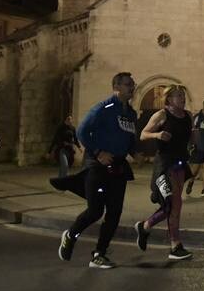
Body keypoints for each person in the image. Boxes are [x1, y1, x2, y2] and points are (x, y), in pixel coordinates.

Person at [57, 72, 141, 269]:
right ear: (117, 87)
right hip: (98, 166)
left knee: (114, 213)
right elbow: (82, 131)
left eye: (133, 84)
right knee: (95, 211)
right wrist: (98, 152)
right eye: (128, 84)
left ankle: (99, 254)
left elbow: (127, 138)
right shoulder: (104, 108)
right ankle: (70, 235)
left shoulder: (131, 113)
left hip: (118, 166)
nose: (132, 88)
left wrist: (134, 153)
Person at [134, 85, 195, 262]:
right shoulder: (161, 115)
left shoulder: (188, 116)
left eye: (183, 95)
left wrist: (194, 138)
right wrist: (158, 135)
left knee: (174, 205)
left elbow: (189, 138)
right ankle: (175, 245)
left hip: (181, 164)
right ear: (169, 99)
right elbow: (143, 134)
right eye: (178, 96)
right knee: (172, 203)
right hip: (165, 165)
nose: (182, 99)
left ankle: (145, 227)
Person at [50, 115, 79, 180]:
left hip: (69, 150)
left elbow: (75, 138)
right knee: (65, 166)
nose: (70, 121)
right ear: (65, 120)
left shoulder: (72, 128)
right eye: (68, 119)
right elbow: (55, 139)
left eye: (71, 119)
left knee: (64, 167)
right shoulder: (60, 128)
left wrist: (79, 147)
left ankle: (60, 180)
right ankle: (63, 181)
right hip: (62, 150)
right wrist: (49, 151)